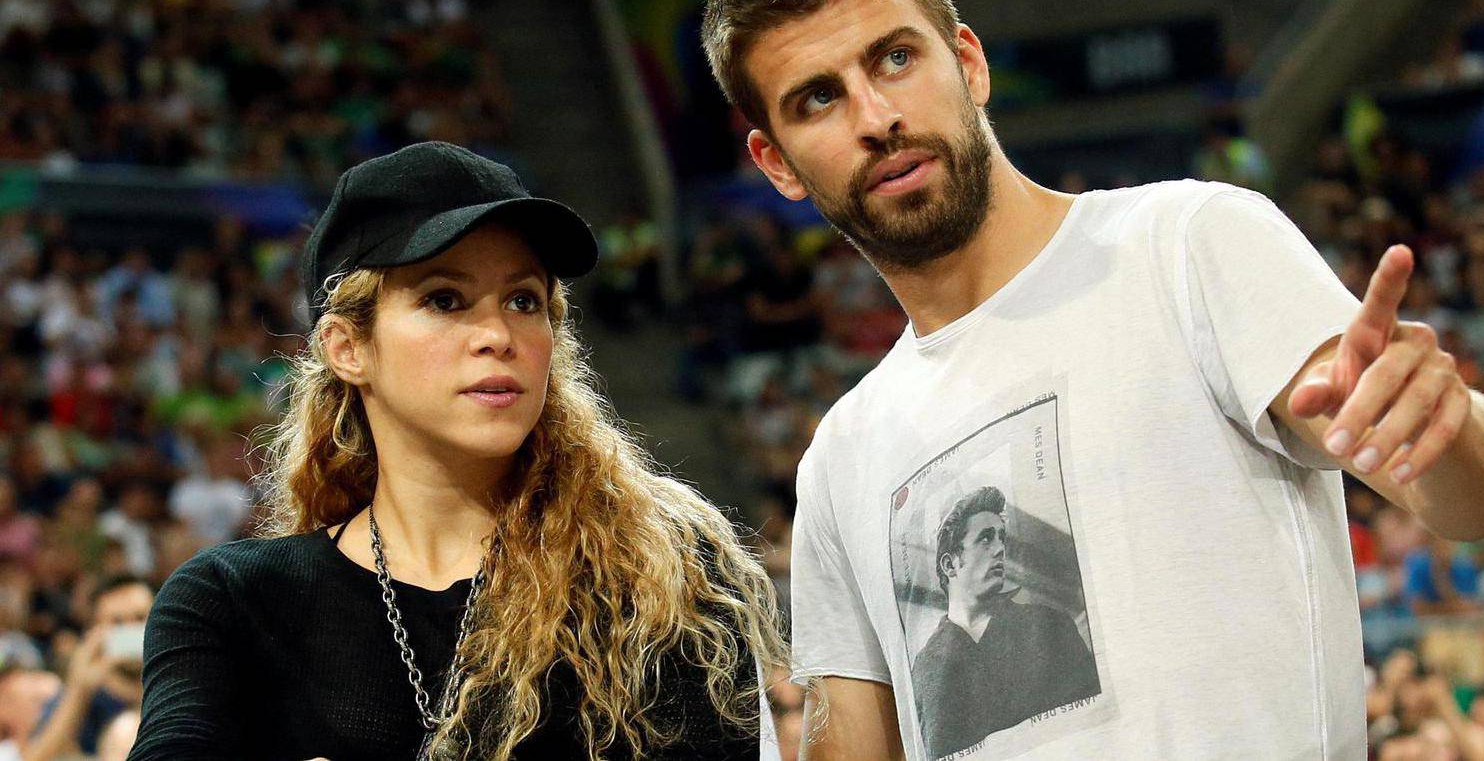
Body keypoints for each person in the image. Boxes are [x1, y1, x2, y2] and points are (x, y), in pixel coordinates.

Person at [700, 0, 1484, 759]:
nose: (875, 116)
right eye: (819, 98)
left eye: (896, 58)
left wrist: (1444, 428)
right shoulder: (840, 459)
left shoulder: (1188, 244)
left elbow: (1479, 501)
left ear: (969, 63)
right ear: (776, 164)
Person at [129, 142, 786, 759]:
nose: (498, 334)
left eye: (523, 300)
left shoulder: (661, 576)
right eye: (444, 299)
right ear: (347, 347)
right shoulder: (231, 601)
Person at [911, 487, 1097, 758]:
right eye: (985, 539)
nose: (1000, 549)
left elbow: (1097, 726)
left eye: (1001, 538)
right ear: (950, 564)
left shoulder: (1051, 626)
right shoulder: (925, 668)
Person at [25, 574, 152, 761]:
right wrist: (78, 690)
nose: (131, 629)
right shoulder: (85, 694)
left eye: (140, 618)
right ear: (96, 631)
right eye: (117, 622)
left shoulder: (182, 678)